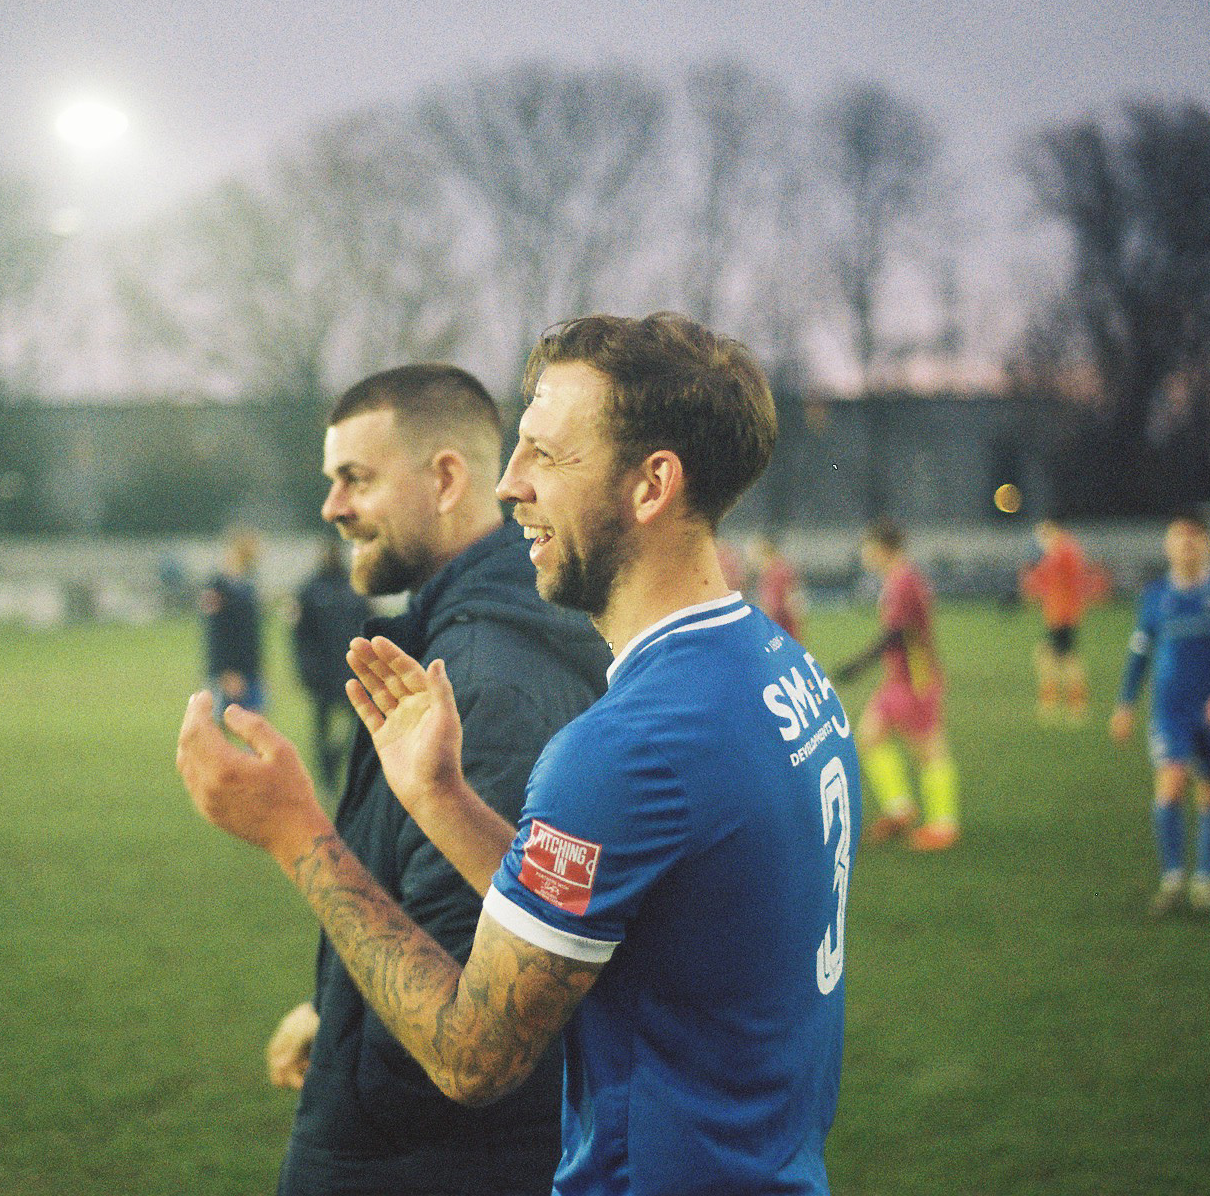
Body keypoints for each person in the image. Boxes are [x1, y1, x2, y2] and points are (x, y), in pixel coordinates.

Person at [176, 312, 860, 1196]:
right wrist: (442, 799)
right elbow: (602, 915)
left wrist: (294, 834)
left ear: (651, 485)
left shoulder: (628, 746)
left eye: (546, 455)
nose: (509, 485)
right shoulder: (779, 665)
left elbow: (473, 1057)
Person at [212, 364, 607, 1196]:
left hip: (426, 1164)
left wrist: (292, 831)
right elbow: (437, 900)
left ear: (446, 478)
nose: (332, 508)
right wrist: (338, 1013)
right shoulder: (456, 639)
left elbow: (477, 1007)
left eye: (355, 478)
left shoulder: (479, 680)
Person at [1110, 511, 1210, 916]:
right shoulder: (1155, 596)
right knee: (1171, 784)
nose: (1187, 545)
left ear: (1207, 545)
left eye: (1195, 539)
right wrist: (1125, 704)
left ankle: (1205, 880)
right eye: (1179, 538)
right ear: (1168, 546)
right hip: (1170, 712)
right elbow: (1139, 653)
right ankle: (1172, 878)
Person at [833, 520, 961, 852]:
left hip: (916, 679)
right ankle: (900, 809)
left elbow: (896, 634)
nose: (863, 553)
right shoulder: (898, 579)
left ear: (880, 549)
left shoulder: (904, 581)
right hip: (898, 679)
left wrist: (857, 665)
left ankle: (943, 825)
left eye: (866, 547)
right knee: (870, 738)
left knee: (929, 751)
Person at [289, 535, 373, 790]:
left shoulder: (355, 586)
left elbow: (369, 624)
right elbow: (300, 636)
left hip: (352, 672)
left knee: (360, 725)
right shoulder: (309, 590)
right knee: (322, 728)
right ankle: (326, 777)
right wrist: (306, 669)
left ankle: (336, 763)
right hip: (321, 674)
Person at [1020, 518, 1103, 725]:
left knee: (1059, 657)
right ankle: (1062, 702)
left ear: (1053, 528)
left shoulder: (1063, 550)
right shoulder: (1062, 550)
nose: (1040, 538)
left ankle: (1069, 704)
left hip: (1064, 613)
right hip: (1059, 613)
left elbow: (1065, 579)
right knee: (1055, 656)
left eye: (1043, 533)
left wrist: (1032, 582)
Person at [198, 532, 264, 721]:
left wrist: (258, 669)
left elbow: (250, 635)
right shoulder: (217, 588)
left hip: (250, 669)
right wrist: (226, 671)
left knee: (254, 727)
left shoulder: (248, 586)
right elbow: (216, 633)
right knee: (218, 729)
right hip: (228, 673)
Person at [749, 532, 807, 643]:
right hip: (787, 627)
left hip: (779, 628)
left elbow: (773, 606)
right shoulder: (781, 567)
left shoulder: (773, 572)